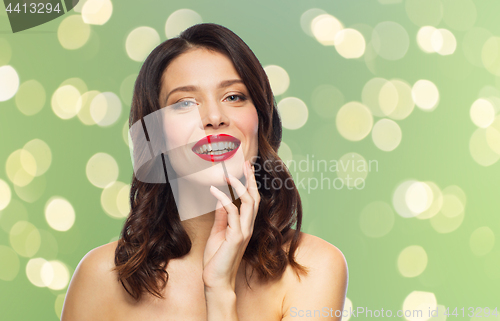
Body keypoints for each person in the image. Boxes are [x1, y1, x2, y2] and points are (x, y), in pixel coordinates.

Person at [61, 23, 348, 321]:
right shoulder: (102, 276)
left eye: (234, 96)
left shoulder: (313, 266)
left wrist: (220, 293)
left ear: (261, 118)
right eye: (185, 103)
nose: (214, 117)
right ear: (156, 135)